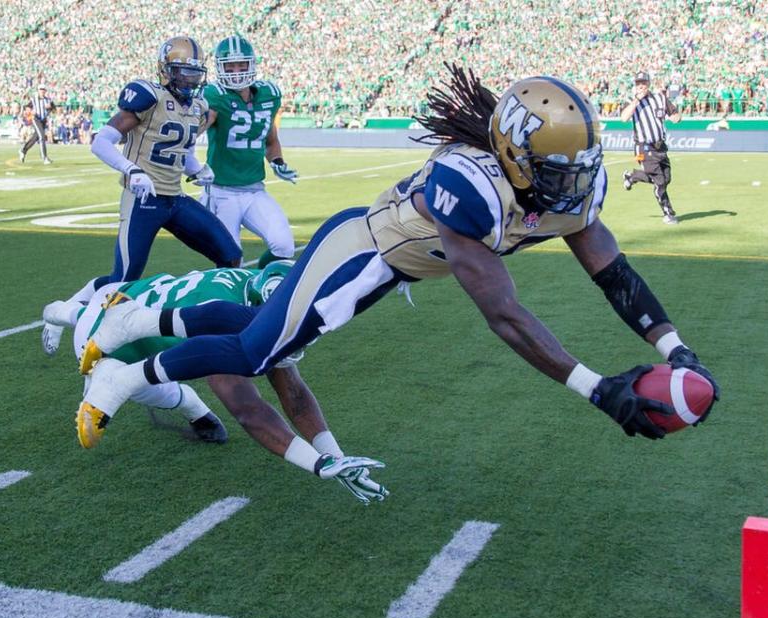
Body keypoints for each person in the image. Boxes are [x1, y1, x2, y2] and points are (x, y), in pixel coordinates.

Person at [75, 65, 719, 449]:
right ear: (515, 154)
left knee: (256, 330)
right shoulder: (469, 184)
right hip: (360, 251)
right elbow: (505, 315)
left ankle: (136, 324)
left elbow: (613, 272)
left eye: (577, 168)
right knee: (256, 353)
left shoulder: (562, 186)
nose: (572, 184)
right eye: (556, 169)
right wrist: (597, 389)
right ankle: (131, 371)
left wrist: (674, 348)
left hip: (399, 268)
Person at [52, 261, 387, 504]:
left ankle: (57, 313)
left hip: (125, 295)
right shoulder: (228, 317)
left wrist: (335, 456)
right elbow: (248, 410)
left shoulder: (258, 289)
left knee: (90, 314)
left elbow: (294, 393)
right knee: (164, 393)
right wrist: (317, 463)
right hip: (108, 345)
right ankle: (61, 318)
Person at [39, 36, 242, 357]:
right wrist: (132, 171)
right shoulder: (149, 96)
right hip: (143, 200)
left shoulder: (199, 106)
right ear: (165, 70)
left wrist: (198, 169)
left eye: (195, 73)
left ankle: (213, 325)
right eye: (182, 72)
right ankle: (64, 310)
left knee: (230, 256)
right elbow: (101, 141)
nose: (190, 79)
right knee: (122, 281)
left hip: (174, 198)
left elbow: (182, 149)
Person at [200, 34, 298, 264]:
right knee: (231, 259)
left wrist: (278, 162)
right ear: (220, 68)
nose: (236, 71)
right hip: (221, 193)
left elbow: (270, 140)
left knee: (284, 245)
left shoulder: (269, 94)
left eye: (241, 64)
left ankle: (259, 290)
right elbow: (197, 127)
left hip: (254, 190)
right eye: (230, 66)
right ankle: (231, 297)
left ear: (251, 64)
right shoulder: (216, 96)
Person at [621, 72, 682, 225]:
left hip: (660, 146)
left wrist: (676, 117)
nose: (641, 85)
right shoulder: (631, 100)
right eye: (638, 83)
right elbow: (624, 117)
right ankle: (668, 213)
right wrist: (636, 100)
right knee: (660, 182)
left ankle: (632, 177)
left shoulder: (659, 98)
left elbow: (674, 113)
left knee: (666, 178)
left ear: (648, 84)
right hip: (643, 147)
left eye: (643, 82)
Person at [19, 85, 54, 164]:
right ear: (38, 91)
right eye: (40, 89)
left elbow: (53, 109)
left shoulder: (48, 100)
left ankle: (23, 150)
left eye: (43, 89)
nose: (42, 91)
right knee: (42, 137)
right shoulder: (34, 99)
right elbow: (26, 106)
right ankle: (44, 158)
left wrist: (50, 108)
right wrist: (31, 111)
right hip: (36, 119)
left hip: (43, 120)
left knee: (35, 138)